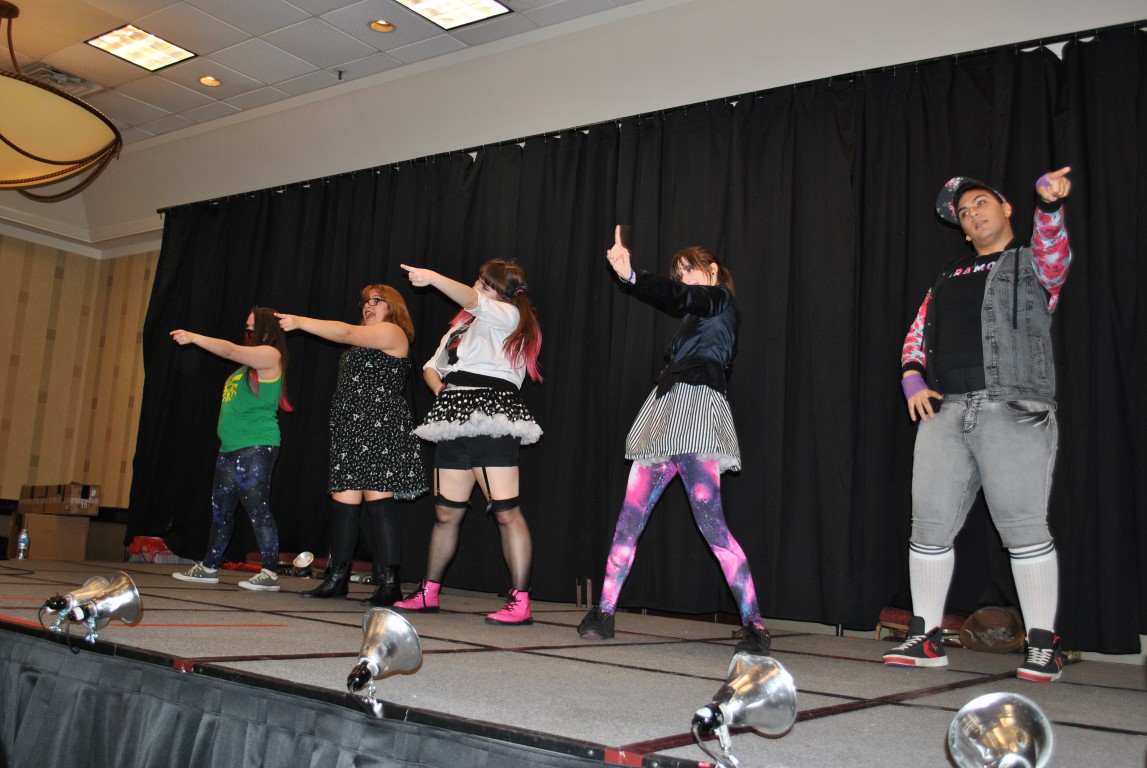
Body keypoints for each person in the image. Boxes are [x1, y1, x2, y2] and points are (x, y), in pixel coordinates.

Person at [883, 168, 1073, 682]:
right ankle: (926, 637)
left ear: (1006, 207)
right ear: (963, 231)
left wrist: (1049, 207)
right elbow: (917, 334)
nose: (972, 214)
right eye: (964, 213)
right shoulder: (947, 276)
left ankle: (1043, 644)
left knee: (1023, 528)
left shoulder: (1032, 262)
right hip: (946, 411)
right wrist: (912, 380)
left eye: (981, 203)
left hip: (1012, 407)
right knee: (928, 528)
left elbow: (1055, 256)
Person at [577, 227, 771, 657]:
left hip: (698, 412)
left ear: (713, 270)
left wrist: (632, 276)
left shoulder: (719, 300)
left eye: (689, 270)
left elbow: (683, 297)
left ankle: (754, 624)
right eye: (678, 273)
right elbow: (683, 301)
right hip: (666, 413)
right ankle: (604, 612)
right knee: (629, 520)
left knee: (713, 527)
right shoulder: (694, 317)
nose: (683, 277)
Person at [393, 259, 543, 625]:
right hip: (453, 413)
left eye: (484, 283)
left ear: (500, 291)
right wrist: (442, 391)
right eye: (478, 280)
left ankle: (520, 600)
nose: (476, 286)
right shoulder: (461, 327)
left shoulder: (507, 315)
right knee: (446, 511)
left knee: (505, 511)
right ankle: (428, 592)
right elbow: (432, 366)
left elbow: (474, 301)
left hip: (492, 411)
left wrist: (433, 278)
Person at [276, 284, 428, 605]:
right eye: (364, 302)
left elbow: (345, 332)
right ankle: (337, 578)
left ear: (393, 306)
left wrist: (300, 322)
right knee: (343, 507)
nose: (367, 306)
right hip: (350, 427)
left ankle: (389, 583)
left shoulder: (393, 332)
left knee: (379, 503)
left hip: (379, 427)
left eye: (376, 301)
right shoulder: (364, 339)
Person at [171, 307, 293, 591]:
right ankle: (209, 566)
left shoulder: (270, 355)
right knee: (221, 509)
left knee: (257, 507)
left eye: (252, 327)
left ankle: (270, 572)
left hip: (256, 445)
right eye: (246, 327)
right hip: (230, 447)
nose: (247, 331)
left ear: (266, 329)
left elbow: (229, 350)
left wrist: (194, 337)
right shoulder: (244, 370)